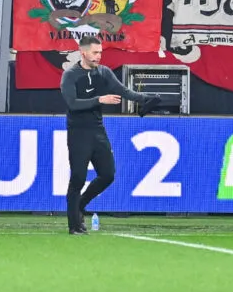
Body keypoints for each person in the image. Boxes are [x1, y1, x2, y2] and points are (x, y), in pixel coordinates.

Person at [60, 34, 159, 234]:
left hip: (98, 131)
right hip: (78, 132)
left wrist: (146, 98)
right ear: (83, 52)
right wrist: (100, 100)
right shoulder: (70, 75)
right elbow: (73, 104)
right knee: (78, 177)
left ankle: (79, 205)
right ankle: (74, 225)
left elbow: (123, 91)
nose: (99, 56)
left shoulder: (104, 72)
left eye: (100, 52)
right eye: (95, 53)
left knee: (108, 174)